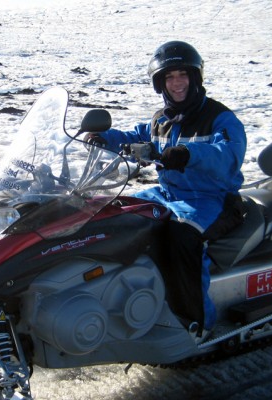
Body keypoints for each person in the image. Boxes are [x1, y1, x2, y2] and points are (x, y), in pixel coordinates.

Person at [86, 41, 247, 338]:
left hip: (213, 200)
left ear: (194, 78)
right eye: (169, 77)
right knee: (114, 212)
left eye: (182, 75)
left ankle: (196, 324)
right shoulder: (162, 119)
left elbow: (230, 156)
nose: (176, 83)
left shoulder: (219, 118)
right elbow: (134, 135)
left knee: (182, 237)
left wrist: (187, 154)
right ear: (160, 82)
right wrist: (101, 137)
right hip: (170, 194)